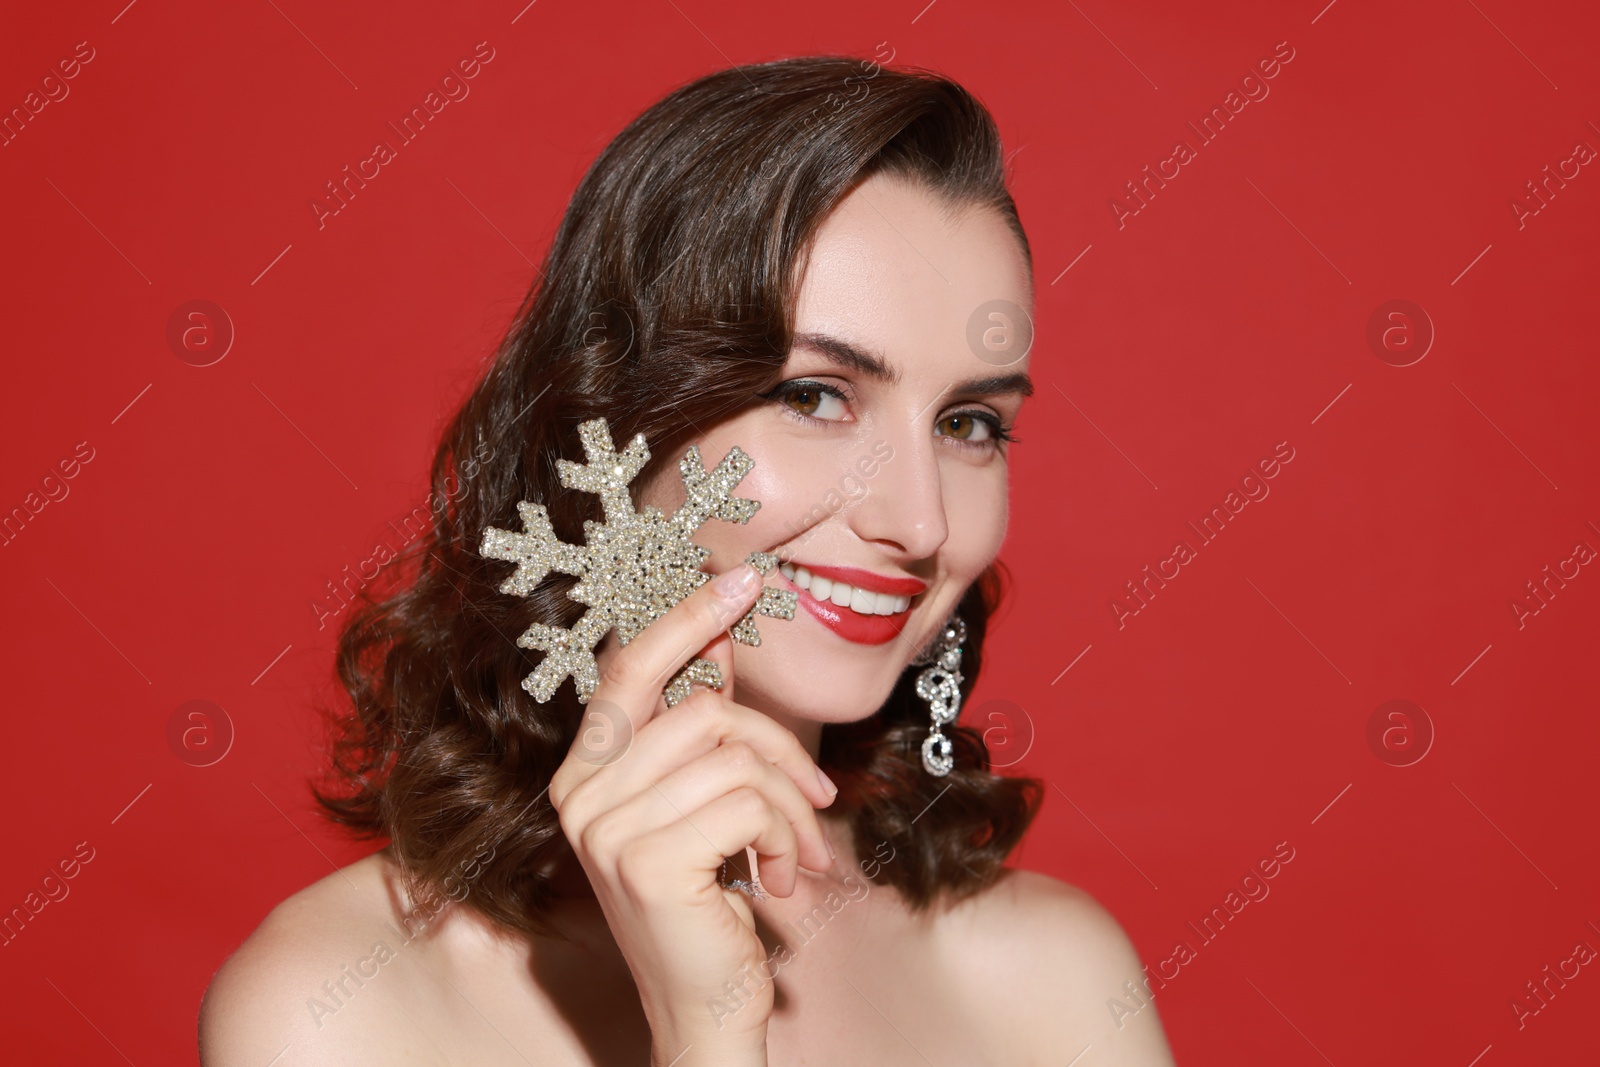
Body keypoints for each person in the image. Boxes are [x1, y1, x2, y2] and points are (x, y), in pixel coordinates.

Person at [198, 55, 1176, 1066]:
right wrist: (706, 1029)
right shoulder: (342, 1005)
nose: (922, 521)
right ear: (615, 422)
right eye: (815, 396)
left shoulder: (1050, 974)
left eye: (968, 421)